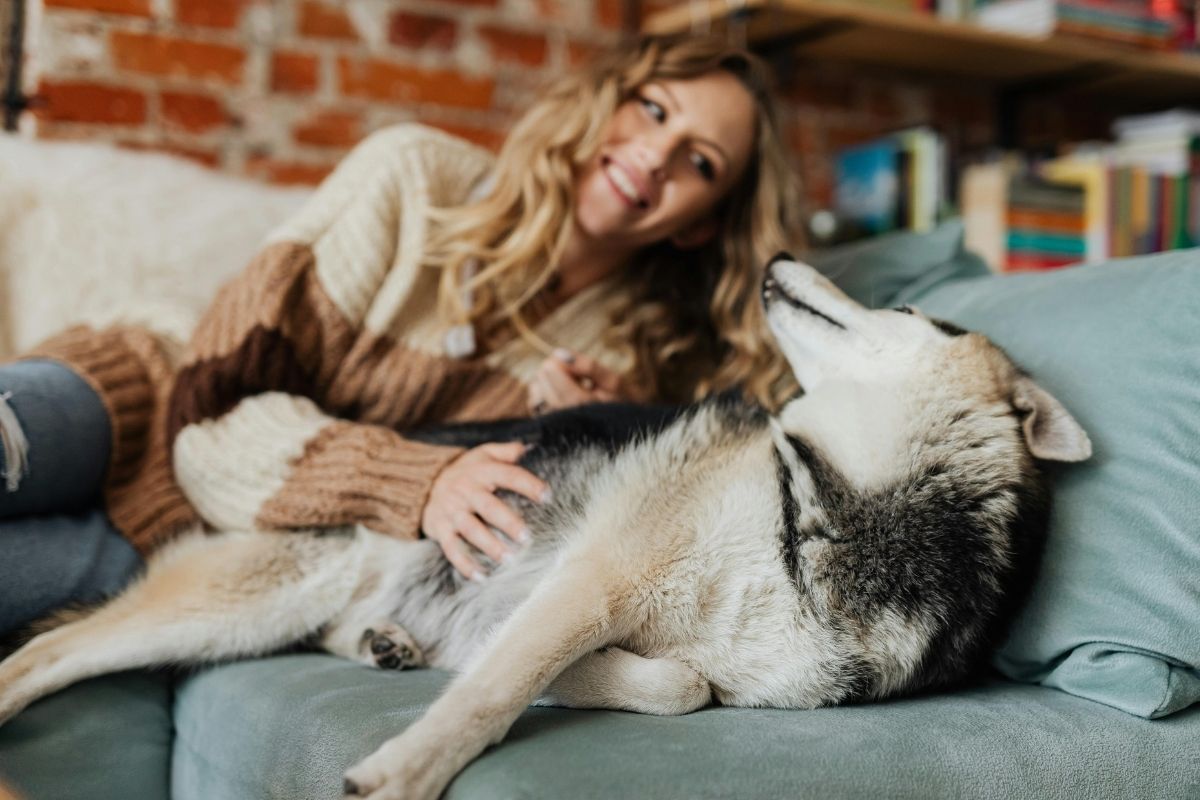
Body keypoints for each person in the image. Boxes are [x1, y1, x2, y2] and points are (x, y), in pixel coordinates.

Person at [0, 33, 801, 636]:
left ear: (702, 225)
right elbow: (210, 411)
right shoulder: (413, 178)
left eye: (700, 163)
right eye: (653, 109)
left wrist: (602, 430)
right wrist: (420, 479)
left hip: (215, 542)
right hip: (140, 399)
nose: (656, 155)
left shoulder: (627, 373)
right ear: (604, 100)